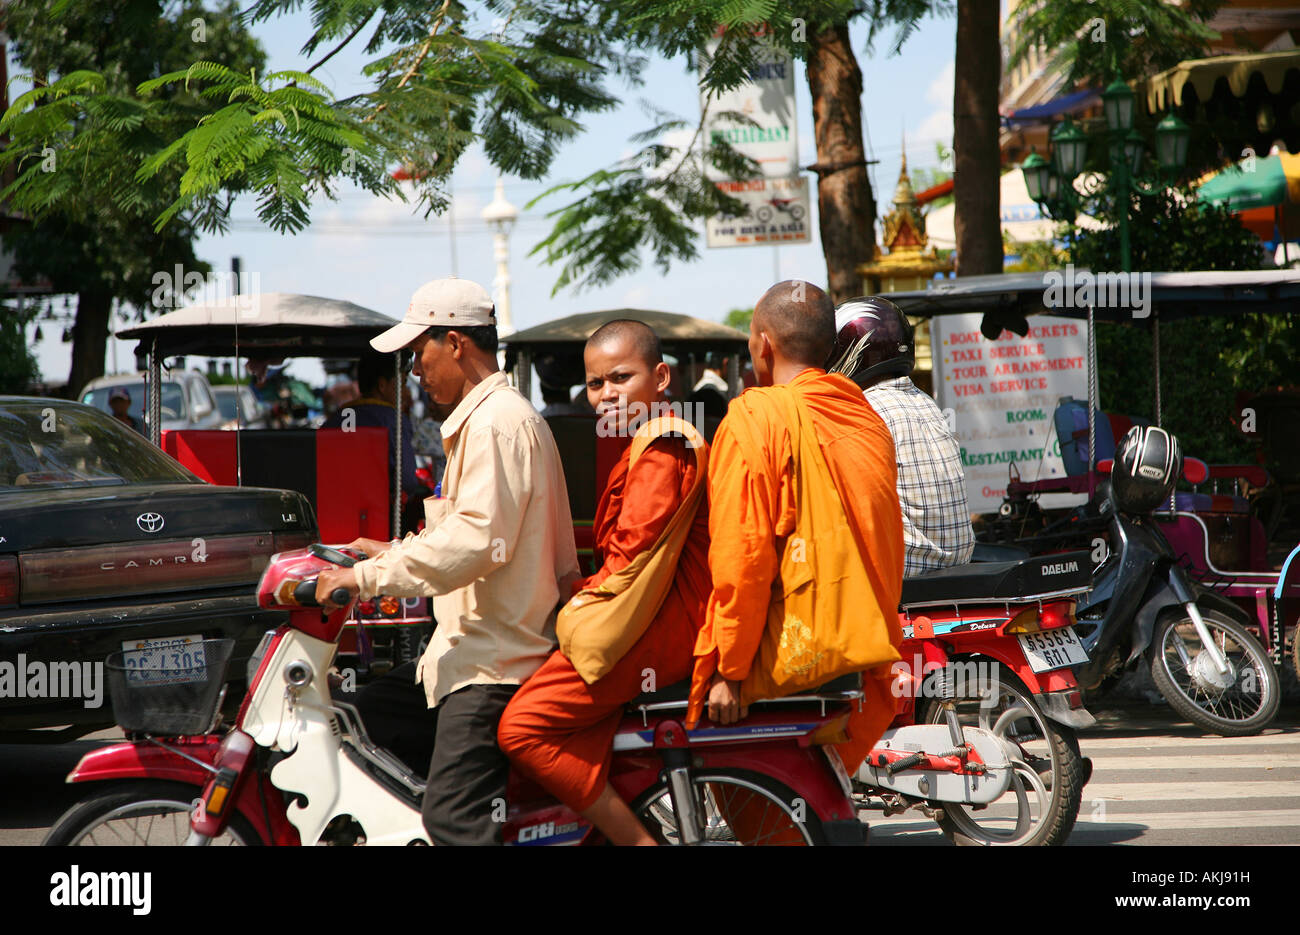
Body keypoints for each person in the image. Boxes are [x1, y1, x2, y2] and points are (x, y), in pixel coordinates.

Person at [315, 277, 579, 846]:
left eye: (418, 353)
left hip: (494, 664)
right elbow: (465, 532)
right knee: (358, 720)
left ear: (455, 343)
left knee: (453, 821)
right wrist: (388, 552)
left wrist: (361, 579)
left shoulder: (495, 424)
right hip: (462, 653)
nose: (414, 370)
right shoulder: (484, 421)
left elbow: (477, 542)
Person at [496, 320, 711, 846]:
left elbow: (631, 560)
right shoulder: (647, 440)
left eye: (621, 377)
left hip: (654, 629)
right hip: (648, 616)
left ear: (660, 378)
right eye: (595, 384)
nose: (606, 394)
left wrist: (579, 597)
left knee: (520, 728)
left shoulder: (662, 449)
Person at [686, 280, 904, 775]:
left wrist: (730, 670)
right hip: (863, 644)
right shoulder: (865, 417)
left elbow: (742, 557)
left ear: (763, 345)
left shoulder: (753, 417)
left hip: (790, 653)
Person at [828, 296, 975, 576]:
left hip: (906, 574)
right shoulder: (925, 403)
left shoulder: (866, 411)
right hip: (955, 567)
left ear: (848, 351)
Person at [323, 351, 419, 500]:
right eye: (403, 383)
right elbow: (408, 482)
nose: (406, 392)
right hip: (378, 514)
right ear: (382, 385)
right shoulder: (395, 420)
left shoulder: (334, 419)